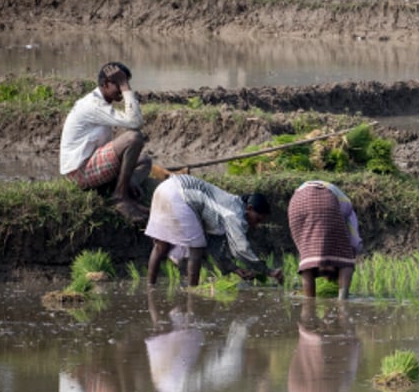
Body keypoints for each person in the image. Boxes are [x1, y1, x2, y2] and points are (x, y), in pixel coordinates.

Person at [144, 173, 283, 287]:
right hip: (180, 195)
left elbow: (215, 247)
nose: (256, 224)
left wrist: (234, 269)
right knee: (196, 249)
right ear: (250, 209)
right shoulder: (235, 214)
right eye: (257, 219)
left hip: (165, 188)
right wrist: (268, 271)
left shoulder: (225, 212)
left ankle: (150, 288)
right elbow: (240, 249)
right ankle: (193, 293)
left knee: (161, 246)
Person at [59, 61, 152, 222]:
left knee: (145, 160)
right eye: (120, 84)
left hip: (91, 164)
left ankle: (124, 188)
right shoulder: (92, 105)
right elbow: (135, 122)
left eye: (126, 83)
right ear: (106, 84)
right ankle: (120, 197)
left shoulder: (100, 102)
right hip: (79, 172)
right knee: (134, 138)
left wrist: (122, 84)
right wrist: (125, 86)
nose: (124, 90)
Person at [288, 180, 364, 299]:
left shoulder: (340, 201)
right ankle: (342, 301)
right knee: (346, 260)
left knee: (307, 257)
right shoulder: (349, 209)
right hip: (324, 198)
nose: (326, 277)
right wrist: (351, 254)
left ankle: (309, 304)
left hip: (296, 202)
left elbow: (322, 246)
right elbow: (355, 241)